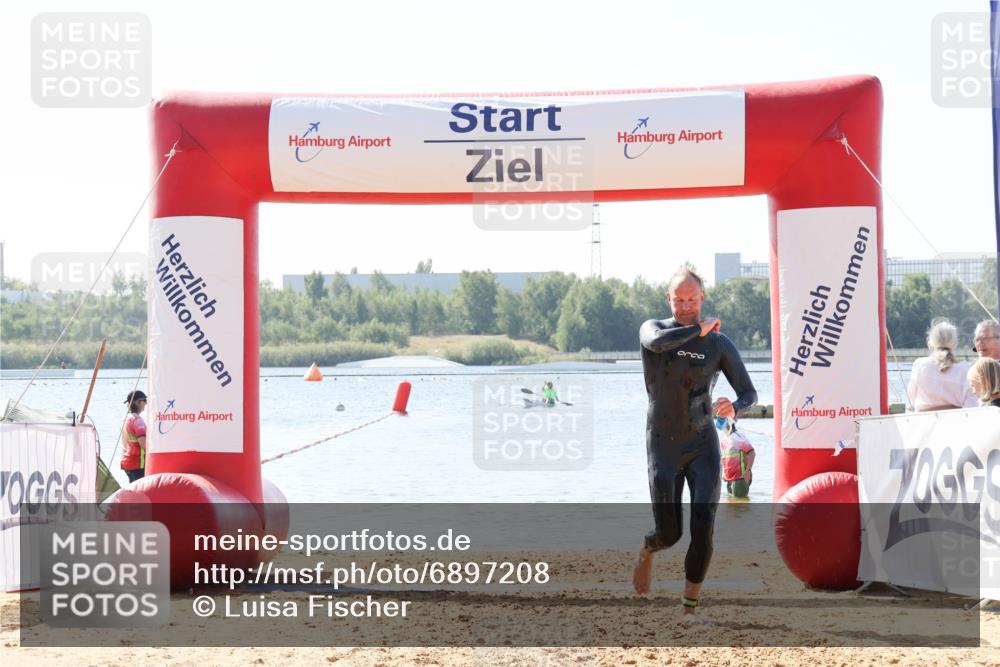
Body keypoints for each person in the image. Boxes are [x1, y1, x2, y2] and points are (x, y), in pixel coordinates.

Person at [632, 267, 758, 622]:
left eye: (692, 299)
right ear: (668, 300)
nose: (686, 306)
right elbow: (659, 344)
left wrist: (735, 406)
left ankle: (689, 608)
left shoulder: (718, 344)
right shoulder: (652, 329)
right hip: (662, 443)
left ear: (702, 298)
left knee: (704, 523)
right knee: (669, 533)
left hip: (702, 442)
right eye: (679, 299)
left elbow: (749, 392)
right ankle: (647, 548)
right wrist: (695, 330)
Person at [907, 320, 977, 411]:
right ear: (955, 343)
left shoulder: (920, 364)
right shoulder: (966, 369)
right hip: (958, 421)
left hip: (924, 421)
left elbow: (911, 396)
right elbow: (972, 404)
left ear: (930, 342)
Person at [718, 418, 755, 499]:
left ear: (729, 425)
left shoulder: (739, 437)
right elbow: (724, 458)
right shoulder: (723, 440)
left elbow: (752, 453)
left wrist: (747, 471)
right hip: (728, 479)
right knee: (731, 506)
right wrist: (724, 474)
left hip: (740, 478)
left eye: (723, 426)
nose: (722, 428)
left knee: (740, 506)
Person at [121, 390, 147, 483]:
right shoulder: (138, 420)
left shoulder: (126, 419)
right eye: (145, 401)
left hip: (127, 462)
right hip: (138, 464)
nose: (146, 404)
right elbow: (144, 444)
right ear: (138, 402)